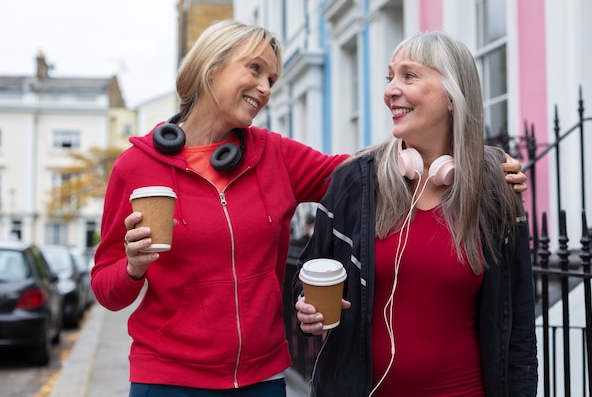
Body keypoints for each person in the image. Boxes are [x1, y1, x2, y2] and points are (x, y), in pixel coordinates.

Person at [91, 20, 528, 397]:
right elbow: (106, 289)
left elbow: (362, 172)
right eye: (255, 70)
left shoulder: (274, 156)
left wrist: (482, 162)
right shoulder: (137, 166)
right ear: (212, 66)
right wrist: (132, 267)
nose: (265, 89)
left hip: (261, 381)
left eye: (272, 80)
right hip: (168, 380)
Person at [293, 31, 538, 397]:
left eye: (409, 76)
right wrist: (307, 309)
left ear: (454, 95)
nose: (391, 90)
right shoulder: (355, 183)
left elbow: (518, 325)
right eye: (390, 77)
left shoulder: (496, 187)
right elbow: (307, 278)